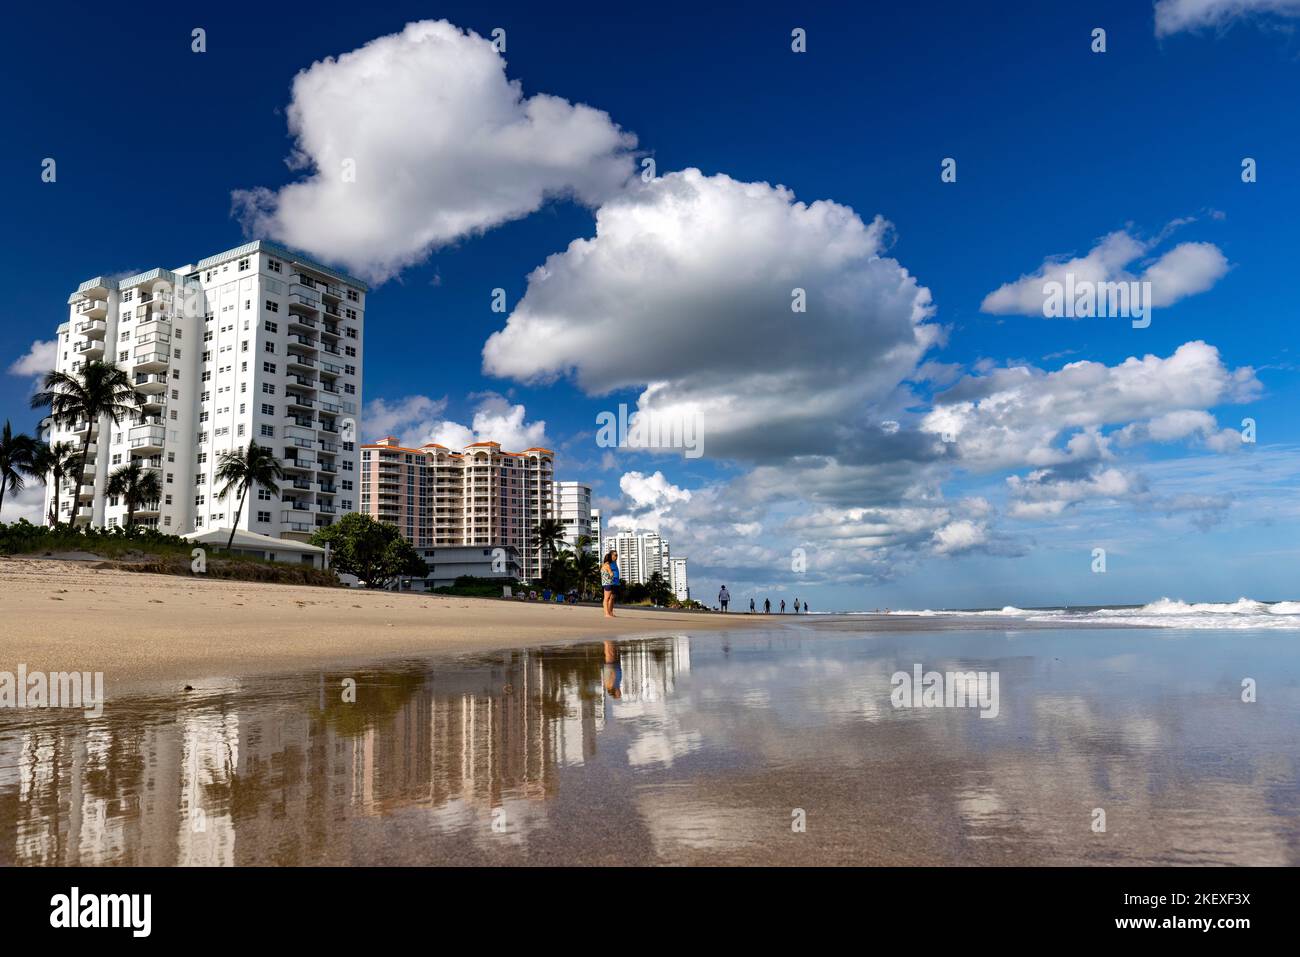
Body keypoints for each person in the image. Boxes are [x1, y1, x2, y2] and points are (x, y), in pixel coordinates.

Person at [600, 549, 621, 618]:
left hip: (616, 582)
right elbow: (606, 572)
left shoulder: (615, 563)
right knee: (607, 598)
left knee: (612, 598)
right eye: (615, 555)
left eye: (617, 555)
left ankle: (610, 612)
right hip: (610, 582)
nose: (616, 556)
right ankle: (607, 613)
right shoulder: (608, 563)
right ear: (611, 556)